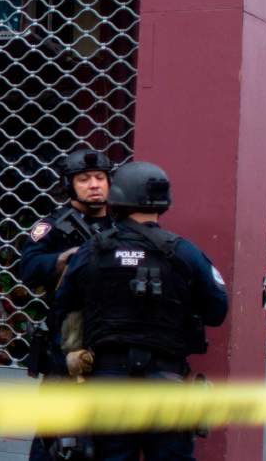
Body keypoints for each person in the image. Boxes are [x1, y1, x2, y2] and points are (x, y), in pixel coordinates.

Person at [56, 161, 229, 461]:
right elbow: (217, 311)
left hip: (106, 384)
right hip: (167, 383)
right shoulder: (185, 252)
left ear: (117, 199)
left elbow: (62, 306)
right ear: (163, 203)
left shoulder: (91, 251)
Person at [18, 149, 114, 460]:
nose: (94, 185)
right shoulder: (52, 226)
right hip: (65, 345)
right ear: (69, 184)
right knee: (53, 437)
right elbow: (29, 269)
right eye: (84, 179)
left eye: (100, 178)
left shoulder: (123, 224)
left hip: (112, 343)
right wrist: (64, 259)